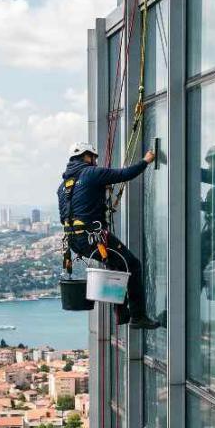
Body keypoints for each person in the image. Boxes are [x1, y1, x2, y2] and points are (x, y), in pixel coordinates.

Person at [58, 141, 159, 328]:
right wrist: (146, 161)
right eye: (94, 158)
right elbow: (124, 174)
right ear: (87, 156)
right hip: (93, 237)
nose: (95, 161)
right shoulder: (91, 173)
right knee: (133, 265)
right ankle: (138, 316)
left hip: (75, 240)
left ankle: (122, 312)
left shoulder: (63, 186)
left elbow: (68, 213)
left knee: (117, 265)